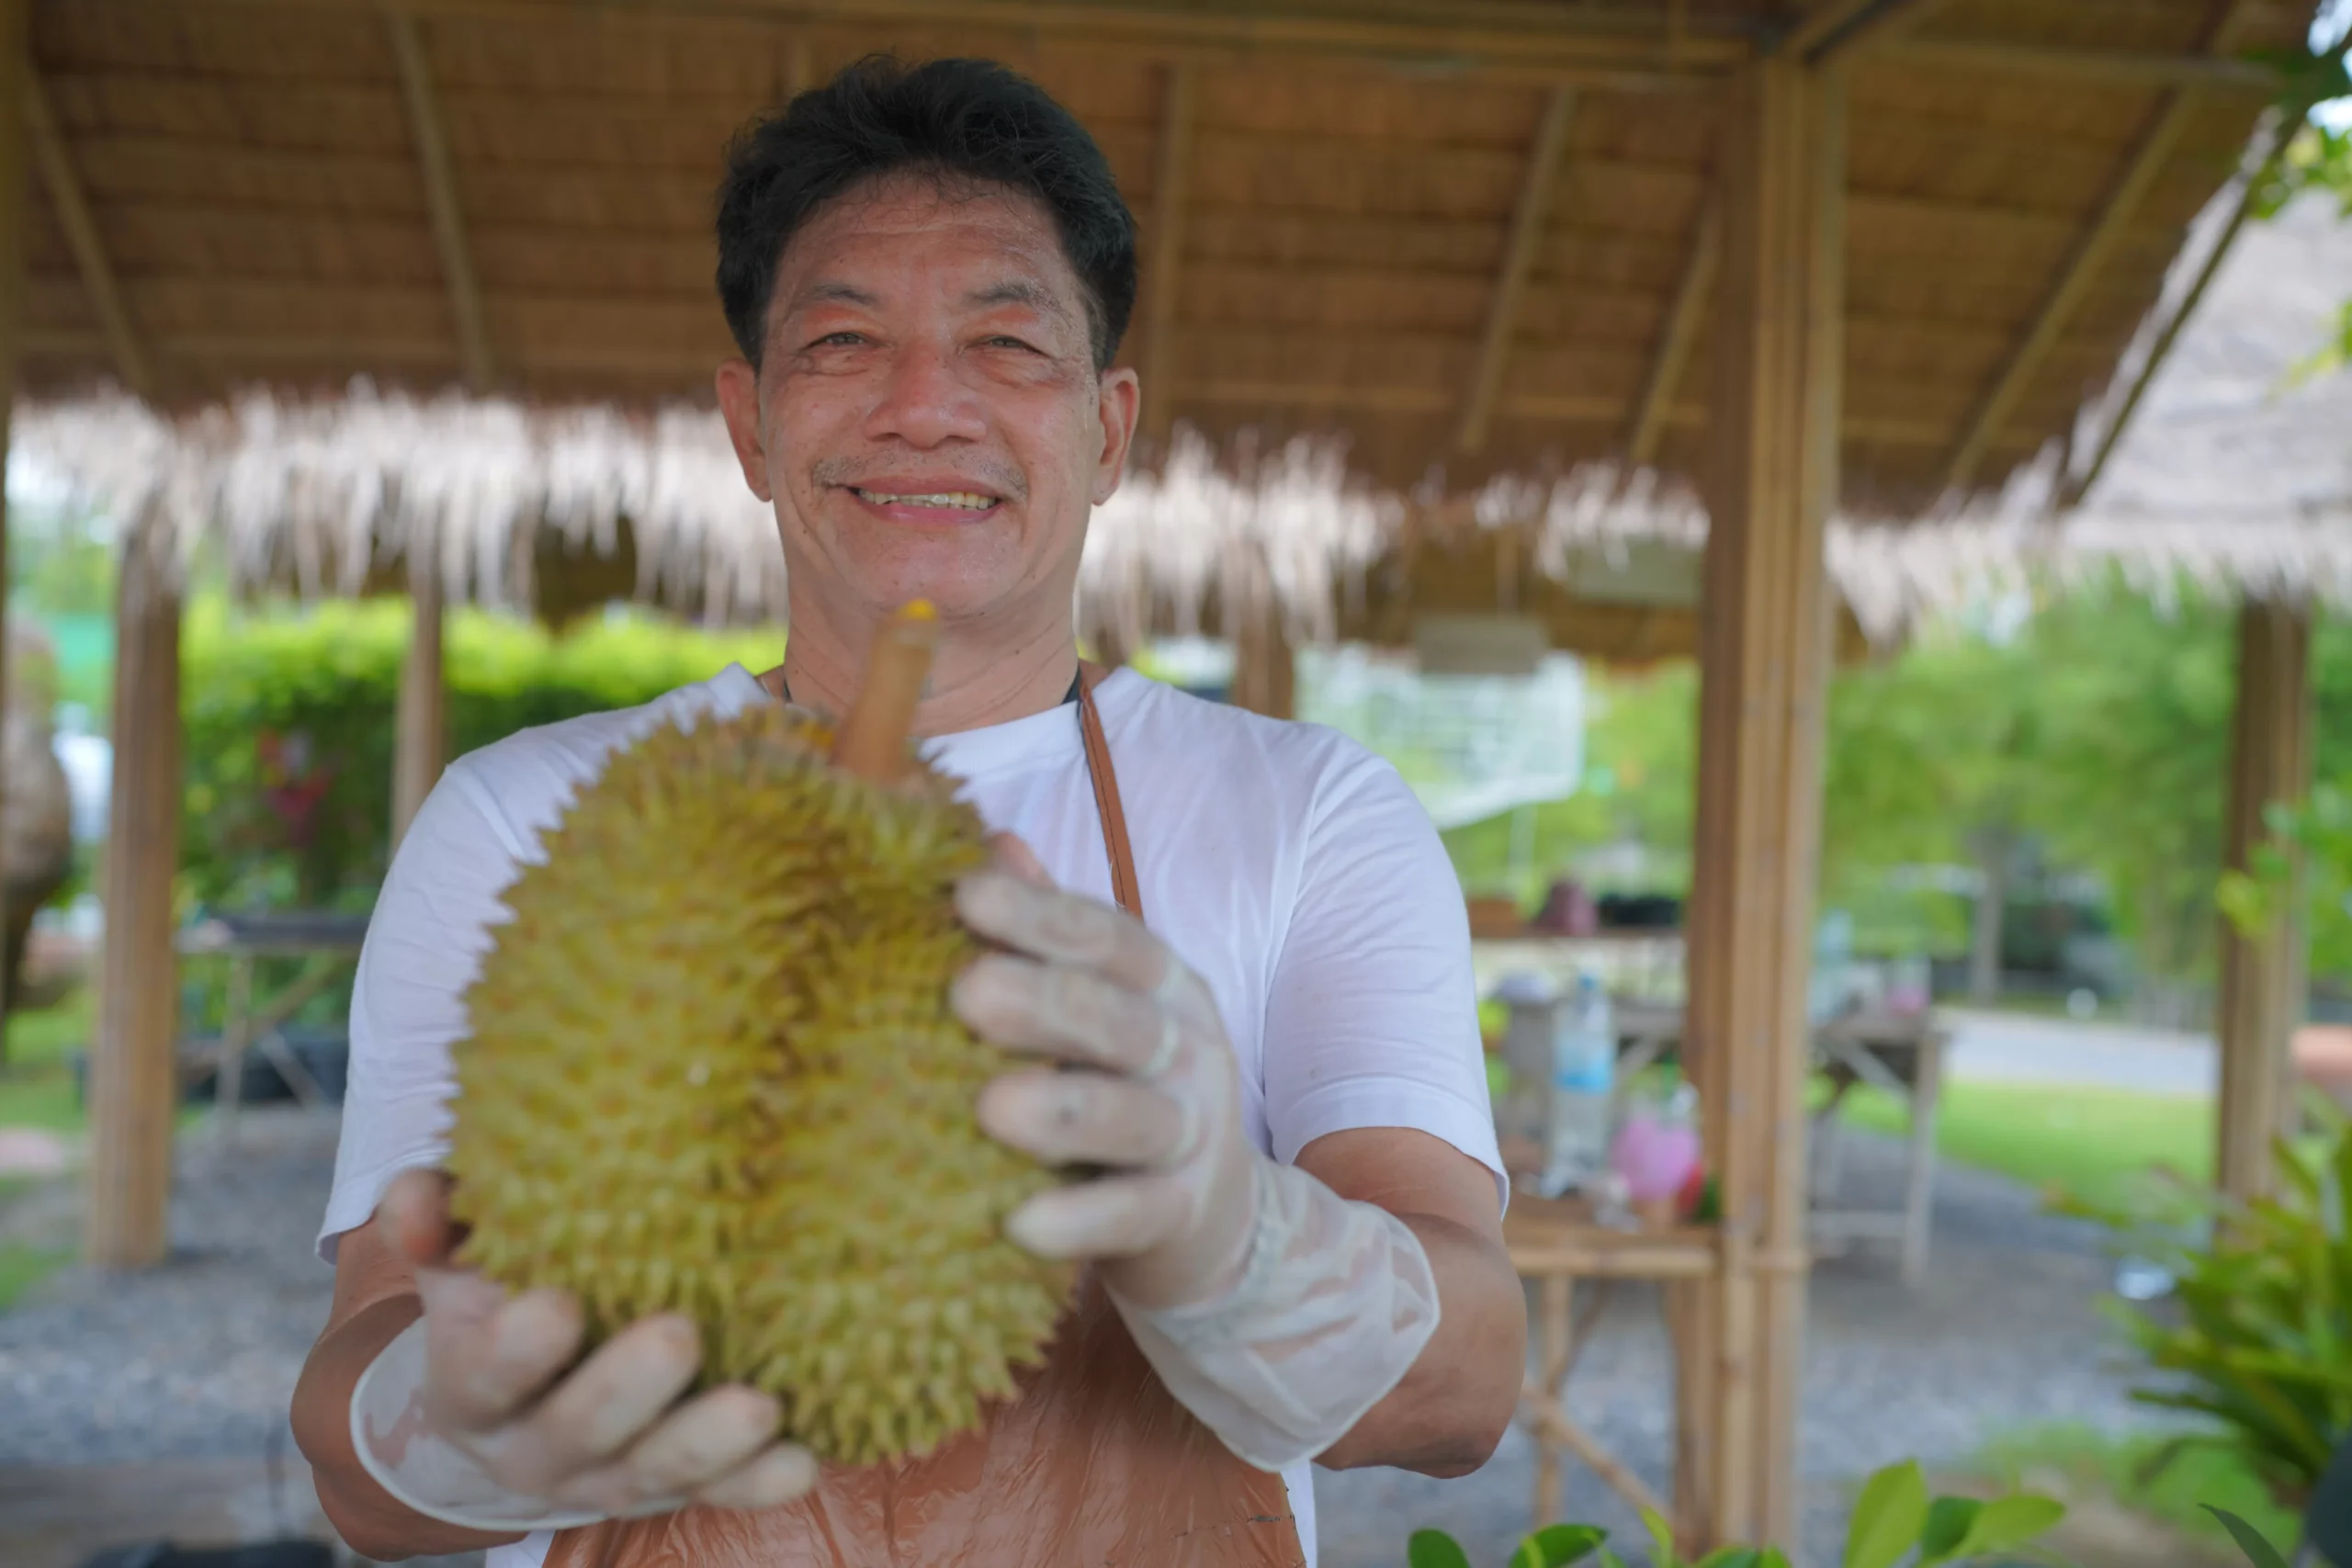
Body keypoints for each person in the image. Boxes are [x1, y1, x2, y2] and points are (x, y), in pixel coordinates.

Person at [289, 53, 1523, 1568]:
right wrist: (451, 1425)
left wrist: (1236, 1235)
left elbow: (1468, 1387)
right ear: (750, 425)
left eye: (1006, 341)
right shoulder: (522, 820)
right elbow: (361, 1462)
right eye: (843, 339)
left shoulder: (1311, 812)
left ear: (1109, 430)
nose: (924, 406)